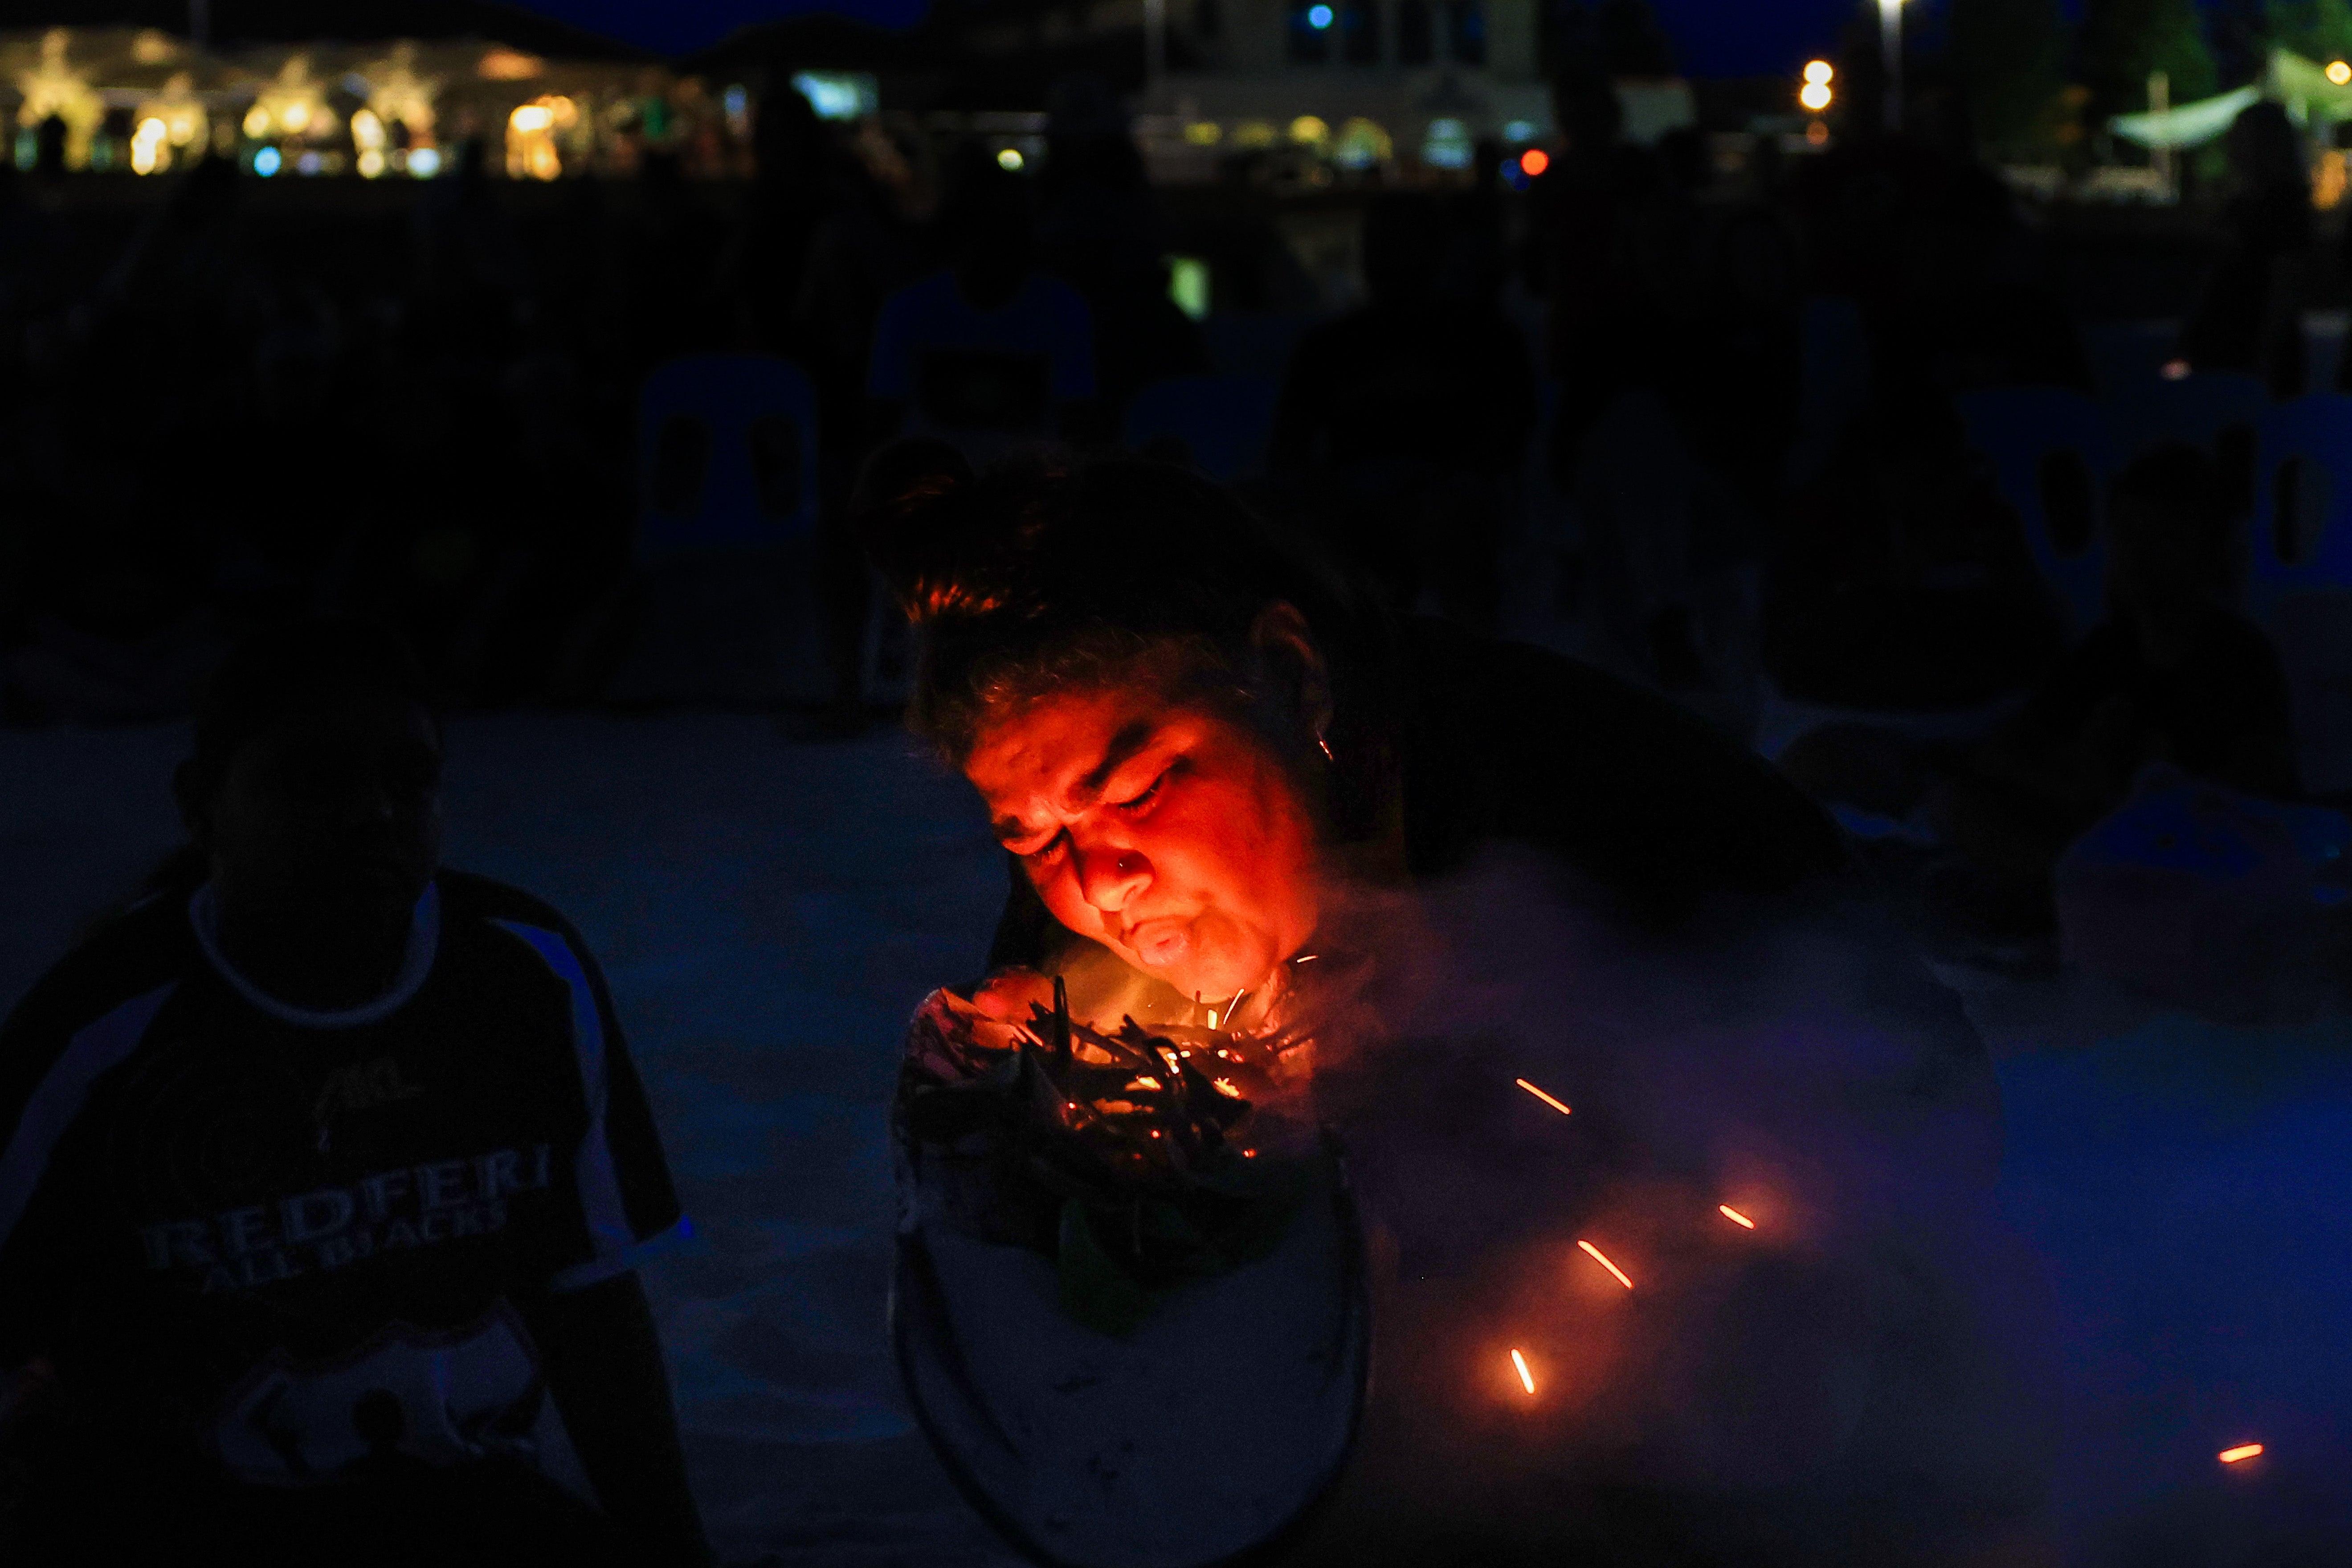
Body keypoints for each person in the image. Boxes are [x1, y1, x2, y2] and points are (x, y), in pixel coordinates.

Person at [861, 443, 2049, 1564]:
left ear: (1290, 678)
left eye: (1135, 790)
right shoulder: (1086, 901)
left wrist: (1531, 1125)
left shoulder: (1599, 809)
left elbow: (1934, 1120)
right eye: (1030, 834)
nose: (1097, 881)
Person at [0, 619, 709, 1568]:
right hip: (186, 1512)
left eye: (409, 778)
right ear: (201, 806)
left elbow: (590, 1300)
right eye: (313, 777)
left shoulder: (519, 975)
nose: (373, 811)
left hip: (456, 1490)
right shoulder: (103, 1031)